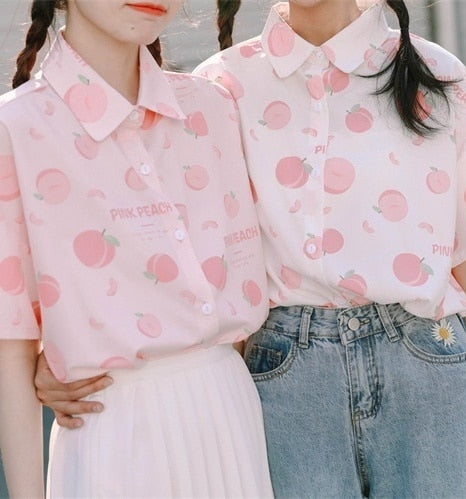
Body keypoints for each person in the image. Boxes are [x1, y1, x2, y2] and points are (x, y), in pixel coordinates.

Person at [35, 0, 466, 497]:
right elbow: (172, 253)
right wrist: (69, 345)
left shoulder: (435, 74)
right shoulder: (220, 87)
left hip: (425, 362)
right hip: (283, 369)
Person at [0, 0, 274, 497]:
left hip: (230, 414)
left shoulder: (212, 108)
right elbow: (10, 344)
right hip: (110, 433)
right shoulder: (16, 129)